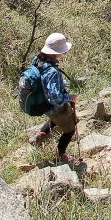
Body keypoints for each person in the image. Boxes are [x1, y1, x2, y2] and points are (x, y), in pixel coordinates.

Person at [28, 32, 78, 162]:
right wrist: (69, 97)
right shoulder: (52, 71)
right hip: (52, 105)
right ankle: (61, 154)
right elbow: (55, 98)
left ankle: (38, 137)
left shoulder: (38, 60)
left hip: (42, 102)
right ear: (57, 52)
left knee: (55, 119)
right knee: (70, 129)